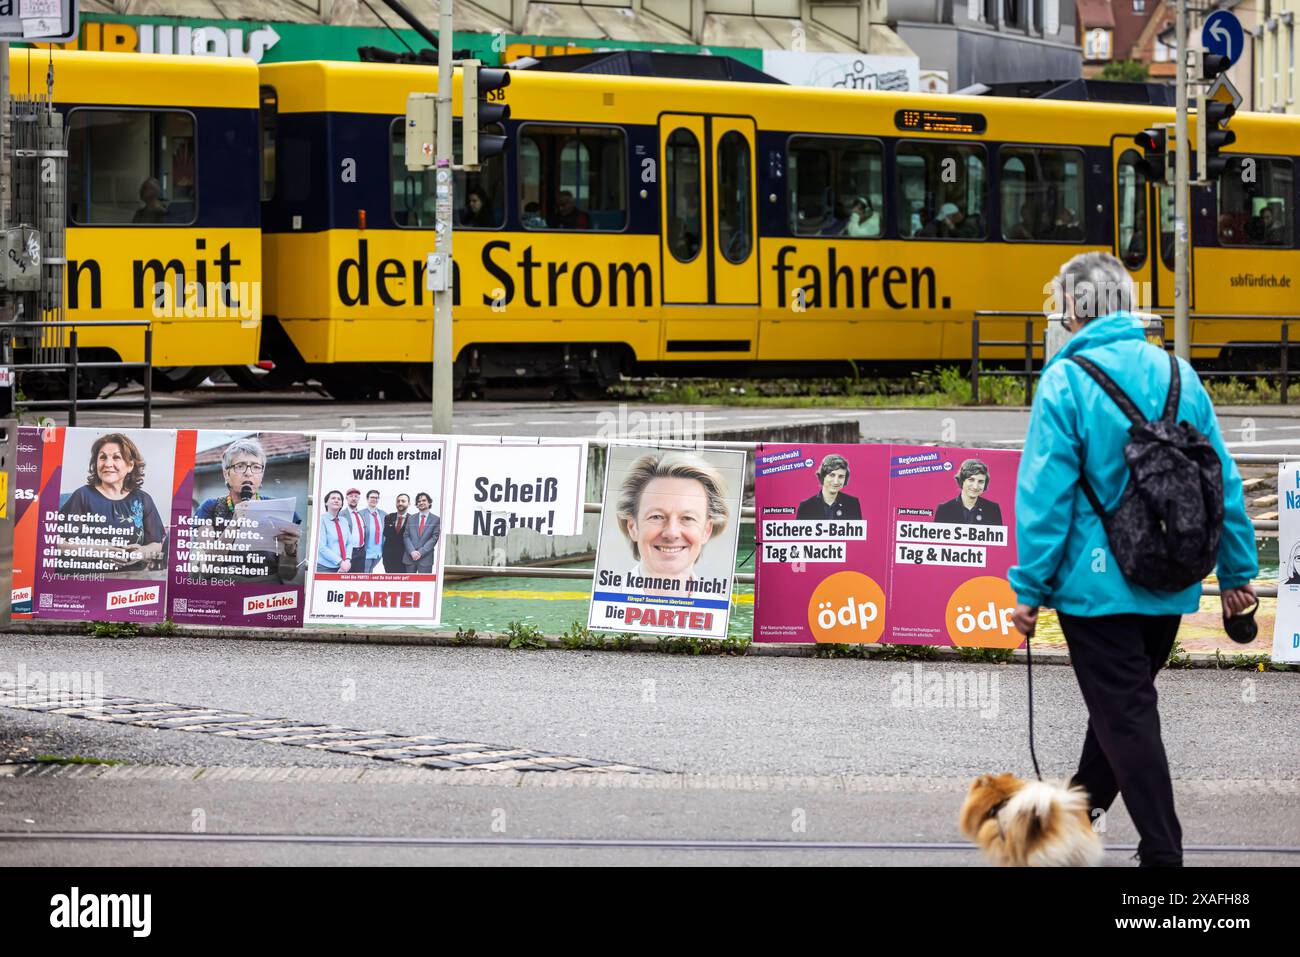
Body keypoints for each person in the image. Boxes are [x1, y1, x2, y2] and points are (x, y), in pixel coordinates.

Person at [1009, 251, 1257, 868]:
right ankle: (1070, 823)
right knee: (1121, 707)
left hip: (1095, 592)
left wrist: (1029, 588)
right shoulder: (1179, 376)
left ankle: (1163, 857)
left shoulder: (1065, 382)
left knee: (1124, 712)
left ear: (1072, 308)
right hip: (1169, 578)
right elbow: (1219, 478)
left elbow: (1045, 496)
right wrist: (1235, 571)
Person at [194, 436, 301, 582]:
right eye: (240, 466)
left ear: (261, 475)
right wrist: (234, 524)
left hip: (266, 596)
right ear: (226, 474)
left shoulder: (280, 510)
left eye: (256, 467)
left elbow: (288, 576)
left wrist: (290, 550)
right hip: (224, 589)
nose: (249, 473)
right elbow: (205, 570)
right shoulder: (210, 508)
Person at [615, 452, 730, 588]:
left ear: (707, 530)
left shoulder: (718, 607)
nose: (671, 533)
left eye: (687, 518)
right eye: (656, 516)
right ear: (632, 526)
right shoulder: (601, 604)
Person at [58, 433, 167, 573]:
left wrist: (143, 551)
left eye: (116, 457)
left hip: (131, 578)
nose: (108, 464)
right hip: (87, 578)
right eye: (102, 457)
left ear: (130, 465)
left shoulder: (143, 499)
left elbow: (156, 543)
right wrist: (98, 550)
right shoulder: (83, 496)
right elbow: (56, 542)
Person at [933, 459, 1003, 525]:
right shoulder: (944, 509)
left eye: (981, 481)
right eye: (971, 480)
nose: (975, 486)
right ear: (962, 480)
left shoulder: (993, 509)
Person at [796, 454, 862, 520]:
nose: (836, 482)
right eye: (832, 475)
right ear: (823, 476)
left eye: (841, 476)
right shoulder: (805, 506)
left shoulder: (853, 503)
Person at [315, 489, 357, 573]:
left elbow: (349, 542)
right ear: (326, 503)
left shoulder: (344, 521)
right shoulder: (320, 520)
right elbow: (321, 547)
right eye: (333, 498)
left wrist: (347, 560)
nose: (336, 500)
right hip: (325, 567)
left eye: (339, 499)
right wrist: (340, 562)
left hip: (344, 566)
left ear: (341, 504)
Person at [403, 492, 440, 573]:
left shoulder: (436, 519)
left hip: (425, 559)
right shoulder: (410, 518)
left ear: (429, 502)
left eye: (424, 500)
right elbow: (406, 536)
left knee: (425, 585)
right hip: (409, 557)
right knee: (408, 584)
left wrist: (420, 552)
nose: (421, 502)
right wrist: (412, 551)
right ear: (416, 504)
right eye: (419, 501)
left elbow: (434, 538)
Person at [382, 493, 411, 573]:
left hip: (405, 559)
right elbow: (386, 534)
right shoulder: (388, 517)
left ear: (409, 504)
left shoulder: (413, 519)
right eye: (398, 501)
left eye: (403, 501)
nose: (400, 503)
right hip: (389, 558)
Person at [359, 489, 385, 573]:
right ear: (367, 499)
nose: (374, 499)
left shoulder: (384, 514)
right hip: (366, 551)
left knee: (370, 571)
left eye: (376, 498)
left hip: (378, 551)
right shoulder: (360, 514)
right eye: (372, 497)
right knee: (365, 572)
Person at [344, 488, 367, 572]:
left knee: (359, 578)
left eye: (356, 496)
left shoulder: (361, 514)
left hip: (361, 551)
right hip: (348, 553)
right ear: (346, 498)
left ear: (358, 499)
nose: (353, 498)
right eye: (351, 496)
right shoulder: (341, 514)